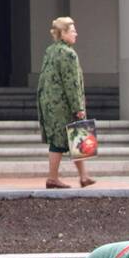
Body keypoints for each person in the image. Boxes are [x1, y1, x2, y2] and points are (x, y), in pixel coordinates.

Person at [37, 16, 95, 190]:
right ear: (63, 33)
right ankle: (52, 178)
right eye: (72, 30)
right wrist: (78, 108)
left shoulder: (50, 50)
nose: (76, 33)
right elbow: (72, 83)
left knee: (76, 139)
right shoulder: (69, 54)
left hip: (49, 103)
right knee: (60, 142)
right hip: (62, 105)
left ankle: (84, 176)